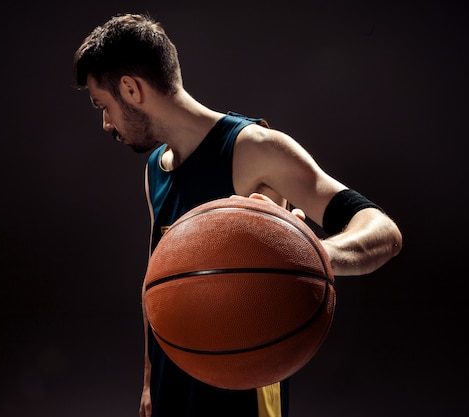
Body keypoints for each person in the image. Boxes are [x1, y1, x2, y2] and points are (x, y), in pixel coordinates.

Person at [73, 13, 402, 417]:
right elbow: (155, 280)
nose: (106, 123)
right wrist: (149, 380)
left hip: (244, 380)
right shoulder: (155, 169)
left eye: (103, 106)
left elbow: (383, 231)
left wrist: (309, 256)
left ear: (130, 89)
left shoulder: (255, 149)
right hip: (172, 377)